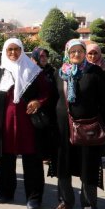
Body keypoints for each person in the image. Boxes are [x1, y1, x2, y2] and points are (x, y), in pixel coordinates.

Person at [54, 39, 105, 209]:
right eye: (73, 52)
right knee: (63, 165)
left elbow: (104, 102)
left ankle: (89, 205)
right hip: (63, 128)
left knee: (88, 166)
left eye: (80, 51)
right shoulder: (60, 73)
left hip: (88, 127)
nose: (76, 55)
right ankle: (66, 201)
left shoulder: (94, 72)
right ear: (67, 53)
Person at [0, 38, 50, 209]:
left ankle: (34, 197)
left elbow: (47, 92)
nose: (13, 53)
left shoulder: (33, 70)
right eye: (9, 50)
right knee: (6, 159)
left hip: (28, 123)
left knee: (32, 160)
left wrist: (38, 102)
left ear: (22, 50)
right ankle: (6, 192)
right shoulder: (0, 71)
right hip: (6, 123)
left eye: (16, 49)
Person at [31, 47, 60, 176]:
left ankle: (47, 156)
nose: (43, 58)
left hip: (50, 109)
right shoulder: (31, 71)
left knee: (48, 134)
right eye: (41, 56)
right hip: (35, 109)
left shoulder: (51, 71)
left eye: (45, 56)